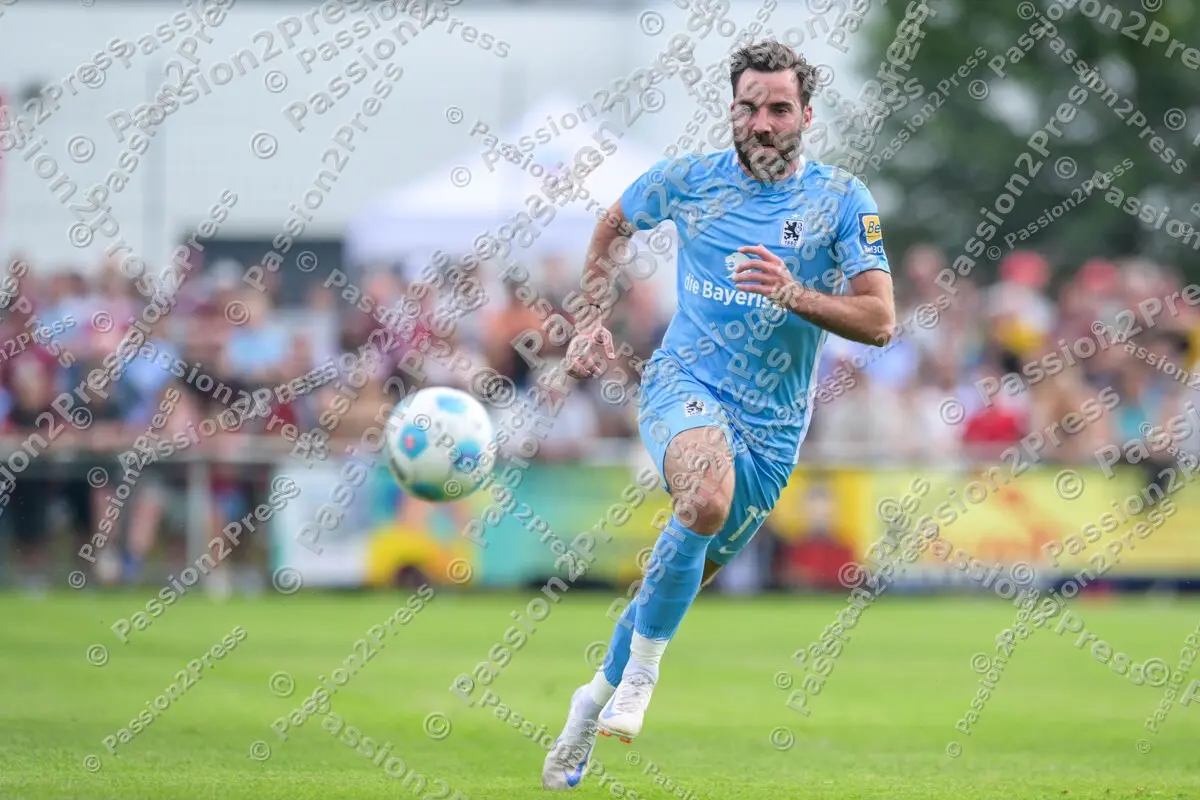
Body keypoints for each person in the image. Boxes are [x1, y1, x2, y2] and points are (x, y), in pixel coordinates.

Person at [541, 40, 895, 789]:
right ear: (730, 109)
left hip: (772, 433)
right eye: (747, 107)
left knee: (679, 573)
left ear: (806, 114)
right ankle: (641, 678)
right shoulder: (689, 181)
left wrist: (794, 293)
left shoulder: (842, 200)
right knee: (703, 498)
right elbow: (612, 224)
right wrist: (591, 317)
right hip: (686, 383)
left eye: (777, 109)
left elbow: (880, 321)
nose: (761, 123)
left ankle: (592, 699)